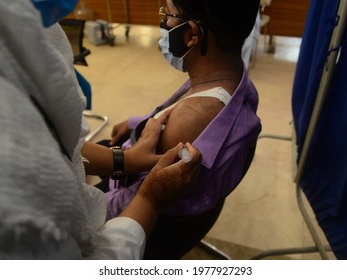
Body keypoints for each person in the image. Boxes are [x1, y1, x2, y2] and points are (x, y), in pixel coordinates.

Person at [0, 0, 201, 259]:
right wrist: (150, 200)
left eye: (169, 14)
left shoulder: (25, 25)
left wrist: (126, 158)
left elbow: (61, 141)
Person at [89, 0, 262, 221]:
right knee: (99, 150)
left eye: (168, 14)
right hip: (133, 156)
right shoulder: (230, 77)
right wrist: (135, 122)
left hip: (123, 203)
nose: (164, 23)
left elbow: (134, 204)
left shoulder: (188, 121)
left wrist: (81, 211)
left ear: (191, 34)